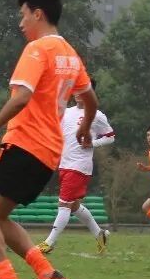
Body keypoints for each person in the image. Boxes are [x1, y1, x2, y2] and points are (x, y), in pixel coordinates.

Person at [0, 0, 96, 279]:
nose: (20, 23)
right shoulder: (70, 54)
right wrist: (84, 126)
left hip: (24, 143)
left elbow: (21, 98)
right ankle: (47, 274)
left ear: (38, 14)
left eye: (23, 15)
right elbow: (90, 100)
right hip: (49, 154)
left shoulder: (37, 49)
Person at [37, 80, 115, 255]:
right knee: (73, 206)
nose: (78, 93)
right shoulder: (66, 112)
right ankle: (100, 234)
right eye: (76, 89)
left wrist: (92, 143)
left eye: (83, 90)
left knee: (64, 204)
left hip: (79, 166)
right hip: (64, 164)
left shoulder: (96, 115)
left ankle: (49, 243)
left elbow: (110, 136)